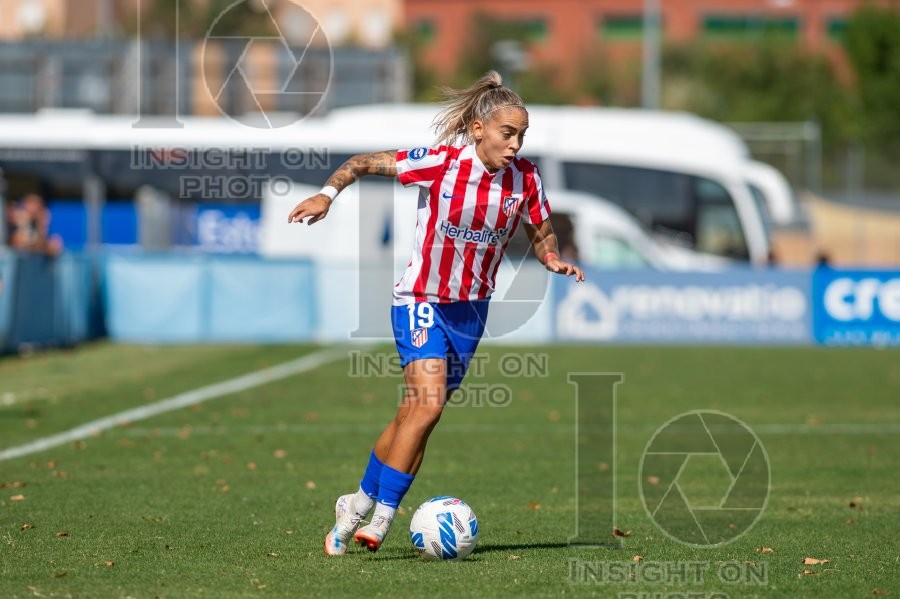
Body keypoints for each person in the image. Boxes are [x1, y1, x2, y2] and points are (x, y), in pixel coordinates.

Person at [287, 71, 584, 555]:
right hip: (420, 300)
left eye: (521, 135)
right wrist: (327, 194)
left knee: (415, 415)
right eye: (508, 134)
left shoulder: (525, 177)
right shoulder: (441, 163)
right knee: (427, 406)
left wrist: (551, 258)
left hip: (471, 312)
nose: (515, 144)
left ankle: (355, 503)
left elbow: (541, 228)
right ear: (478, 130)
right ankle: (381, 520)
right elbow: (362, 162)